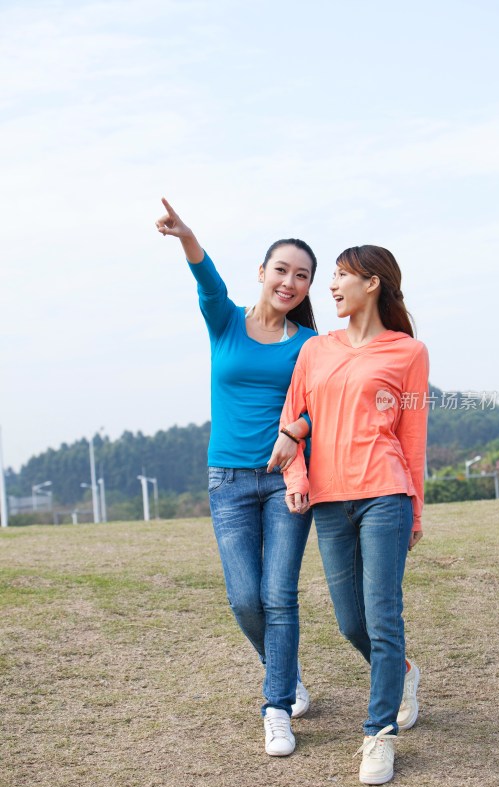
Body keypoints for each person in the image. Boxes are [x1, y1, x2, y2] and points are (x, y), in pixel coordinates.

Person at [156, 198, 318, 757]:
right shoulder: (225, 322)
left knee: (278, 595)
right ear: (262, 272)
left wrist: (294, 430)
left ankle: (277, 708)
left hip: (285, 480)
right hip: (227, 480)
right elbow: (206, 280)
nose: (289, 281)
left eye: (302, 275)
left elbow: (325, 407)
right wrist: (187, 236)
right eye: (281, 270)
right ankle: (287, 672)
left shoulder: (309, 345)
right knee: (244, 597)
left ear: (308, 286)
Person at [268, 244, 429, 784]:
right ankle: (403, 672)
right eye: (331, 277)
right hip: (330, 500)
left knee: (384, 617)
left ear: (373, 284)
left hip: (386, 493)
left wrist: (416, 511)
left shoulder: (408, 352)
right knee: (350, 621)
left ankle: (378, 735)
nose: (331, 287)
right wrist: (297, 478)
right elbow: (295, 415)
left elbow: (413, 437)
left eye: (341, 277)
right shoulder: (317, 349)